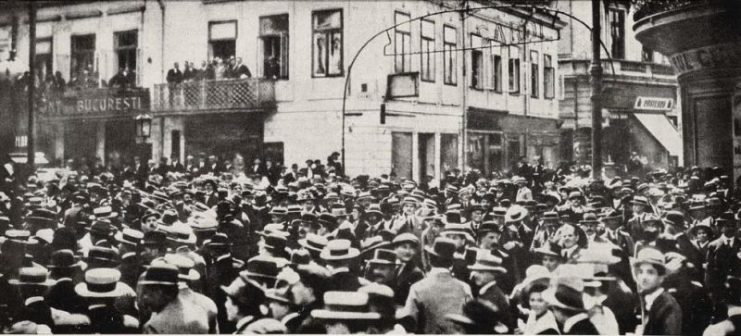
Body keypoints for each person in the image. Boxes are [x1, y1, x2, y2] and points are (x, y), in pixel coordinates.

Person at [402, 237, 472, 334]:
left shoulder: (417, 287)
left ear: (430, 260)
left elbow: (409, 322)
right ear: (451, 263)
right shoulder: (465, 288)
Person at [137, 260, 209, 334]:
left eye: (150, 293)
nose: (146, 298)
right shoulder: (199, 312)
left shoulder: (154, 326)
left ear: (160, 292)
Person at [633, 247, 683, 335]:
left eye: (650, 272)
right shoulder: (642, 300)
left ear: (661, 277)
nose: (644, 277)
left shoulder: (668, 306)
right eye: (640, 272)